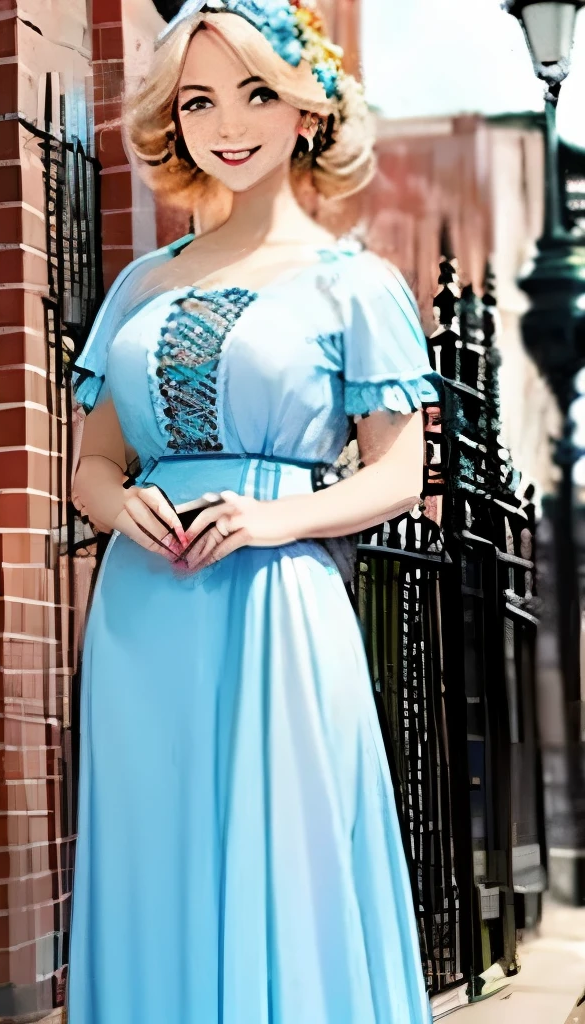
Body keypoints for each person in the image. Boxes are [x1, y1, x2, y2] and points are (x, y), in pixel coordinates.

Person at [68, 1, 439, 1020]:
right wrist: (121, 506)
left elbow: (398, 473)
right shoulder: (139, 286)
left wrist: (279, 519)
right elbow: (89, 465)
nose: (227, 122)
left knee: (290, 857)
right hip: (143, 619)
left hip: (279, 605)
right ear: (173, 121)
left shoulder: (355, 284)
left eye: (257, 92)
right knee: (154, 860)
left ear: (307, 110)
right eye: (199, 100)